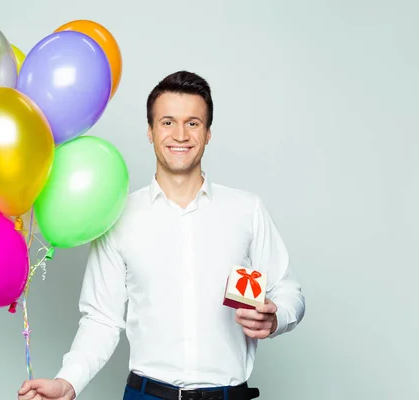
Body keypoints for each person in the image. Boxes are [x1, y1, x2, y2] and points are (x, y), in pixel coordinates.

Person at [18, 71, 306, 400]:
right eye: (167, 122)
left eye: (193, 123)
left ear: (208, 133)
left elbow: (289, 292)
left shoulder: (246, 210)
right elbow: (101, 319)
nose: (180, 135)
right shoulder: (117, 216)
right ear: (151, 131)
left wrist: (276, 318)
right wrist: (68, 382)